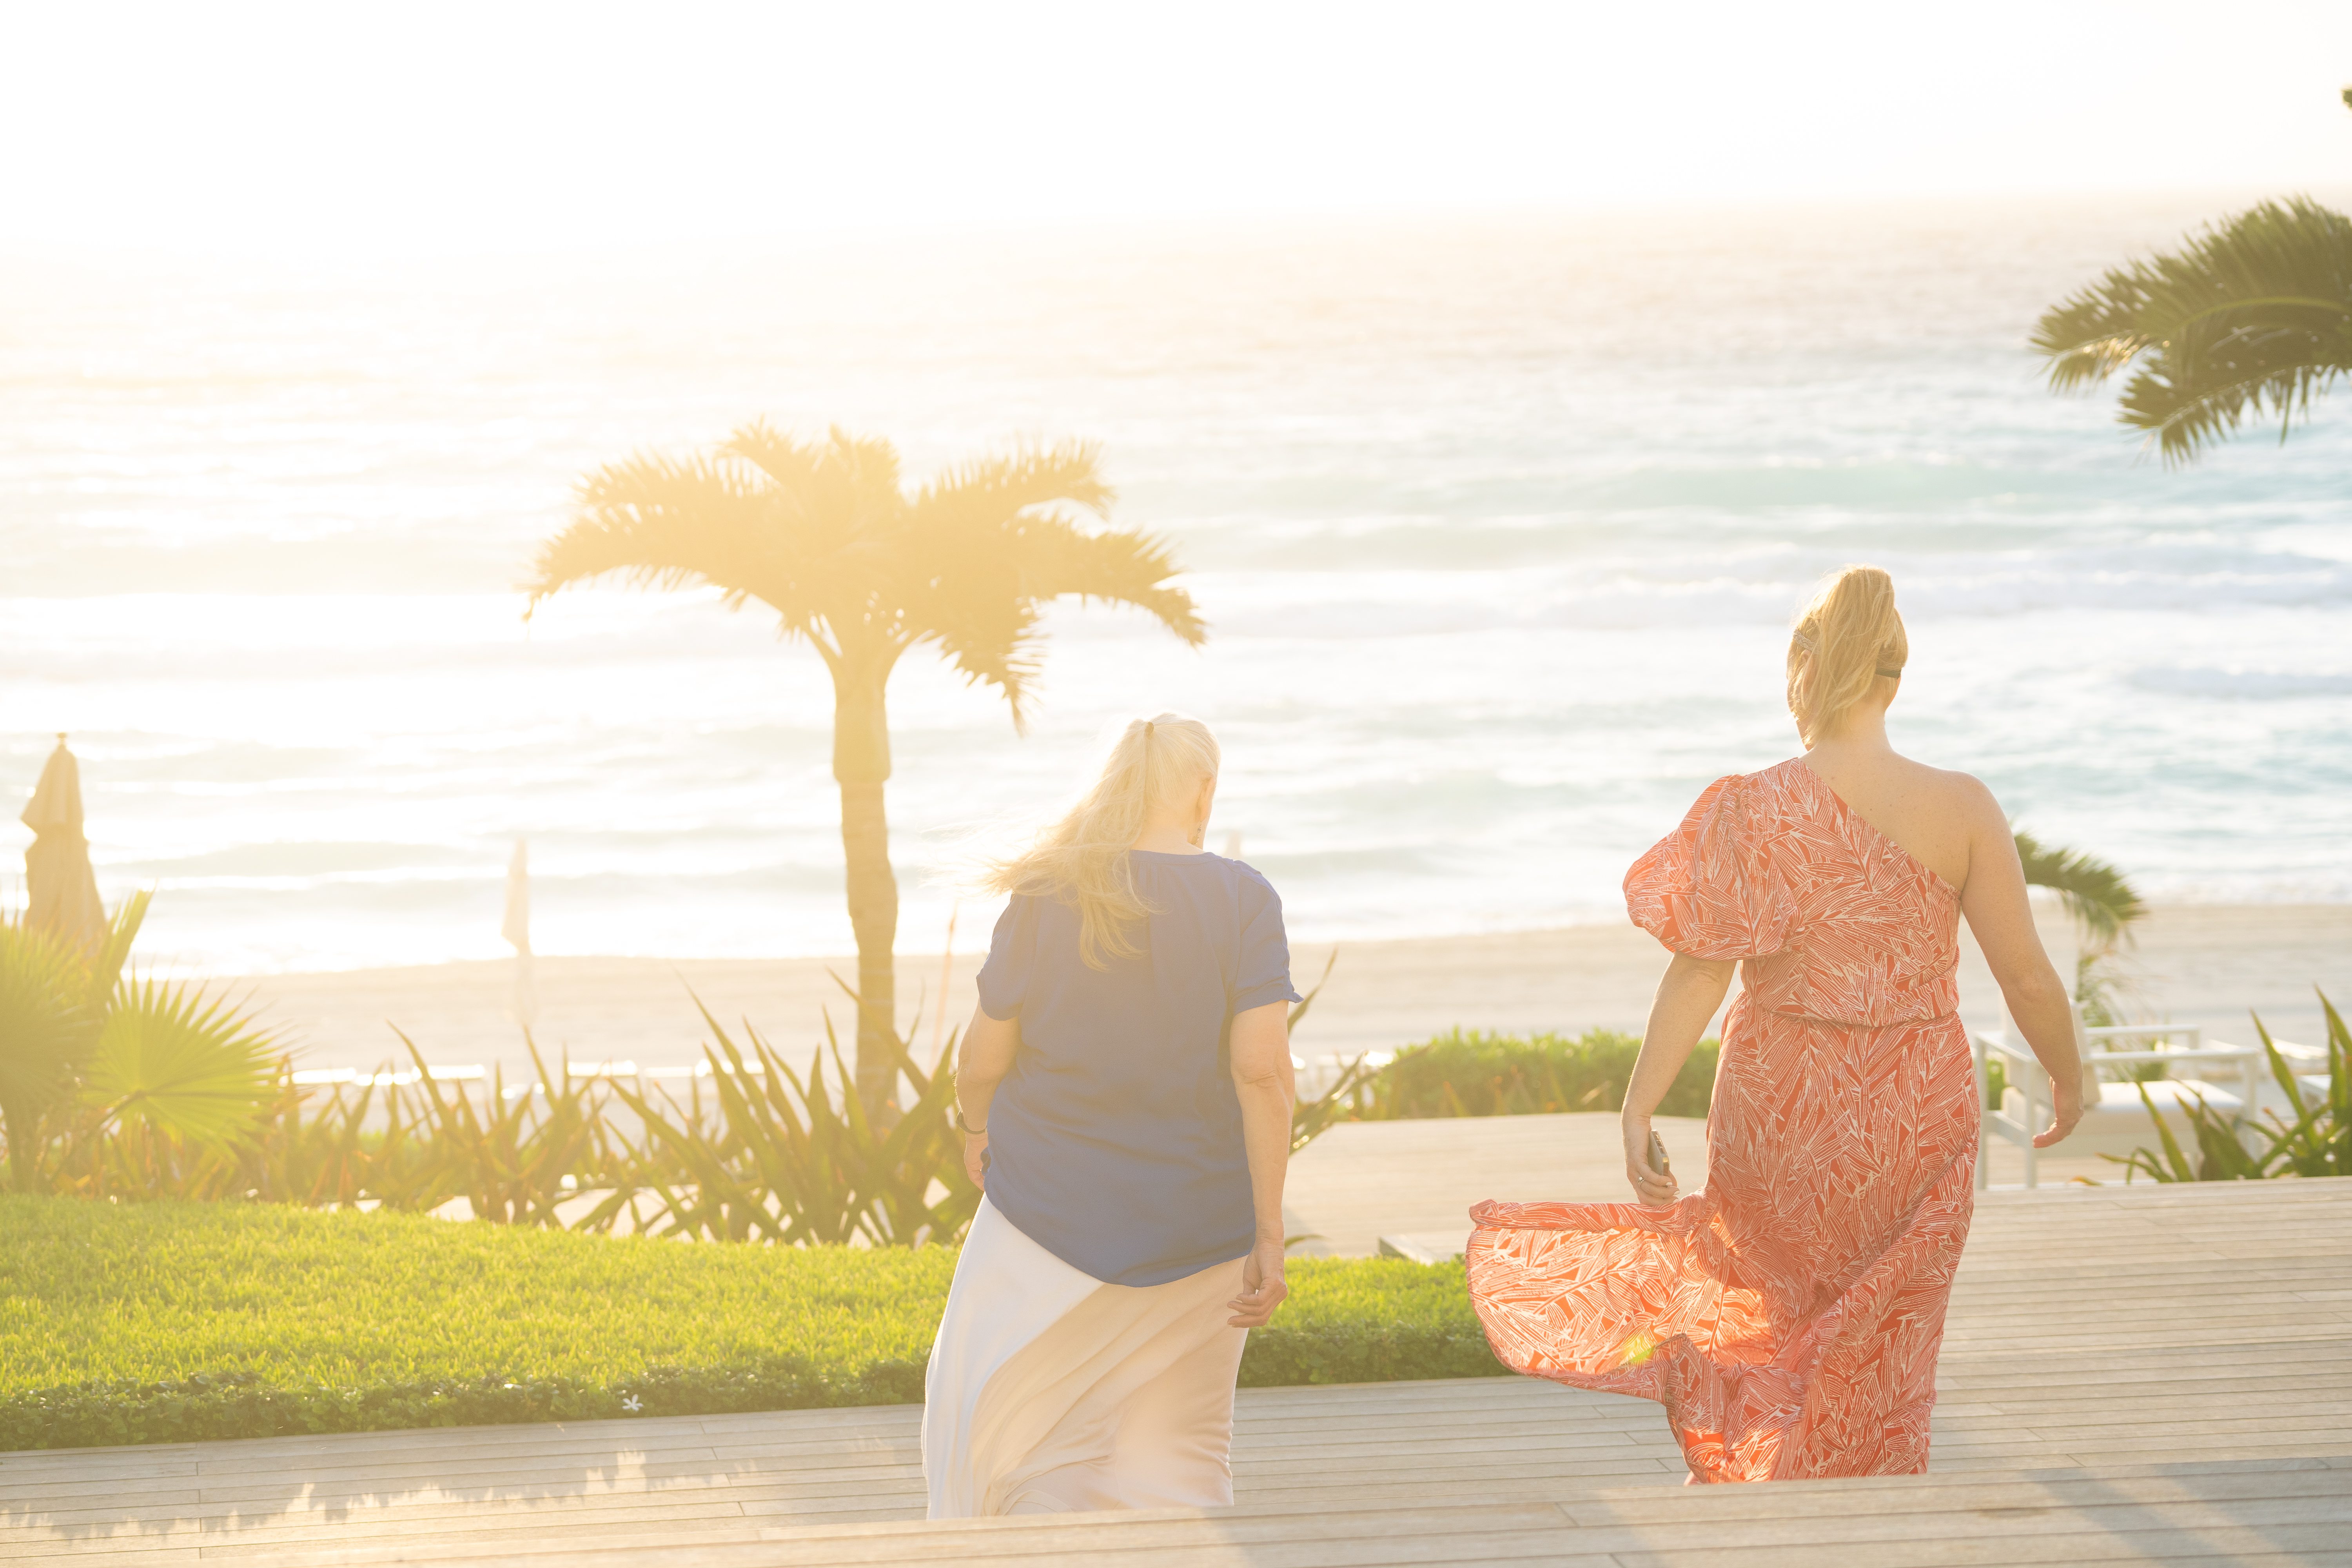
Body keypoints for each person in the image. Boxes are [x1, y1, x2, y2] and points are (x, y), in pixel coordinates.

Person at [1465, 564, 2085, 1483]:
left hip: (1778, 1105)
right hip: (1914, 1112)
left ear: (1802, 670)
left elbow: (1702, 967)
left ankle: (1755, 1482)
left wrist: (1639, 1104)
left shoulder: (1753, 807)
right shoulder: (1962, 806)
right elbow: (2027, 973)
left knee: (1767, 1311)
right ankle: (1867, 1501)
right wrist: (2070, 1075)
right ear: (1897, 676)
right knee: (1886, 1339)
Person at [923, 712, 1301, 1518]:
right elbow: (1263, 1071)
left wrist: (974, 1126)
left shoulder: (1049, 891)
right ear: (1201, 792)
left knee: (1027, 1448)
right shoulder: (1244, 898)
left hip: (1045, 1221)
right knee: (1184, 1464)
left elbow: (981, 1056)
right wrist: (1268, 1232)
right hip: (1205, 1234)